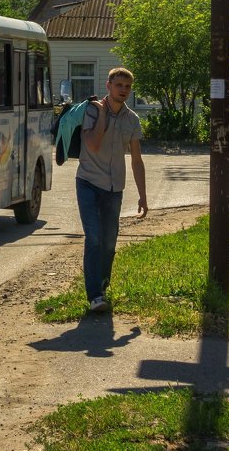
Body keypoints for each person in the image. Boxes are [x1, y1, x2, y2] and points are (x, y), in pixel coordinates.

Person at [76, 67, 148, 313]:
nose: (124, 91)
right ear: (108, 86)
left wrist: (143, 196)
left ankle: (103, 286)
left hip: (114, 188)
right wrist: (103, 115)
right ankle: (94, 295)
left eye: (127, 87)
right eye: (119, 85)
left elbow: (136, 160)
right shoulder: (92, 111)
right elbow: (94, 145)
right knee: (94, 238)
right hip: (88, 182)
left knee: (108, 243)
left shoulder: (132, 120)